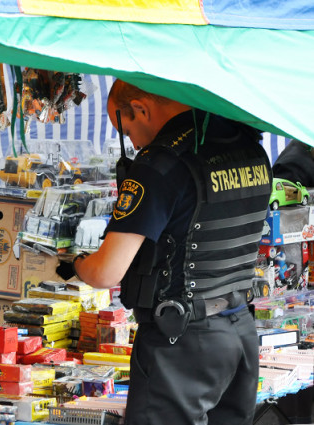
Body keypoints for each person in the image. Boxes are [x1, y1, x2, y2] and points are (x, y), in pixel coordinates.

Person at [74, 80, 272, 425]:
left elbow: (106, 272)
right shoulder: (250, 148)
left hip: (183, 340)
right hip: (240, 330)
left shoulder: (160, 164)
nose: (133, 144)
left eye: (126, 129)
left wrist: (73, 263)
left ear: (140, 109)